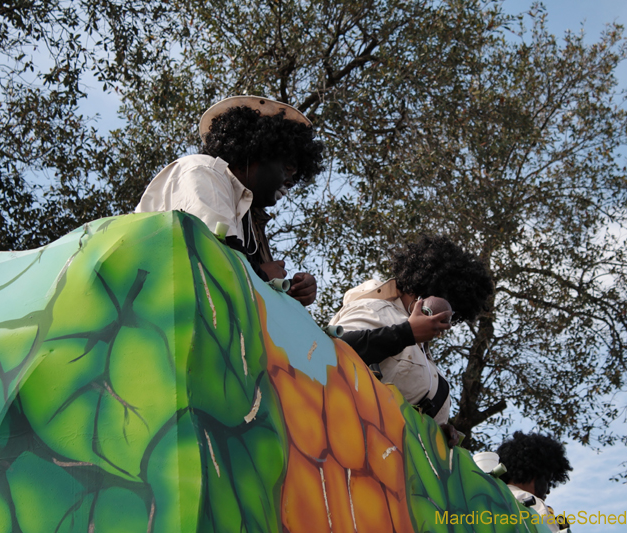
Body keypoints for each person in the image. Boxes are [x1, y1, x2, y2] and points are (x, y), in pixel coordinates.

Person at [134, 96, 324, 305]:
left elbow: (247, 294)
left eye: (296, 176)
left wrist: (289, 292)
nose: (290, 181)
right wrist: (261, 275)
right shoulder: (202, 171)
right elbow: (211, 260)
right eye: (287, 169)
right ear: (256, 149)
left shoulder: (249, 217)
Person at [329, 235, 494, 446]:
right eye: (442, 300)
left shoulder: (430, 364)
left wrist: (437, 431)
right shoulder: (378, 309)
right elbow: (334, 348)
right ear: (423, 287)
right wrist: (407, 333)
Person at [497, 431, 573, 532]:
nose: (548, 491)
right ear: (535, 474)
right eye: (547, 481)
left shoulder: (488, 497)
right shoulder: (530, 503)